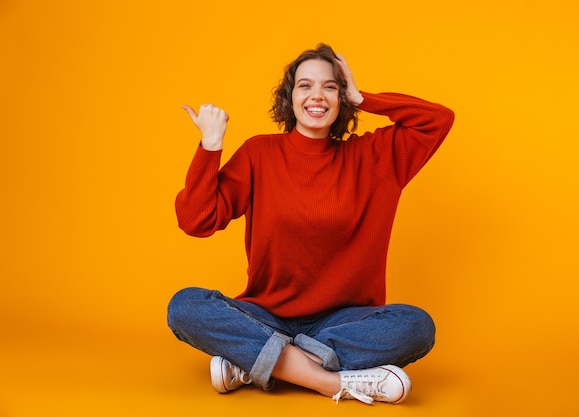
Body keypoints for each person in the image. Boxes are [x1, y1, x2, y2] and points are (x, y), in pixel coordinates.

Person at [167, 43, 454, 405]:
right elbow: (196, 219)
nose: (316, 95)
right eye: (305, 85)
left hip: (344, 323)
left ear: (341, 97)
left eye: (330, 86)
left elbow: (438, 120)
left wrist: (363, 97)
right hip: (265, 314)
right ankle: (329, 382)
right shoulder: (260, 154)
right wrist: (210, 145)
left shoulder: (376, 159)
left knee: (416, 327)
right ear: (290, 97)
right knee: (184, 306)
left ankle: (258, 362)